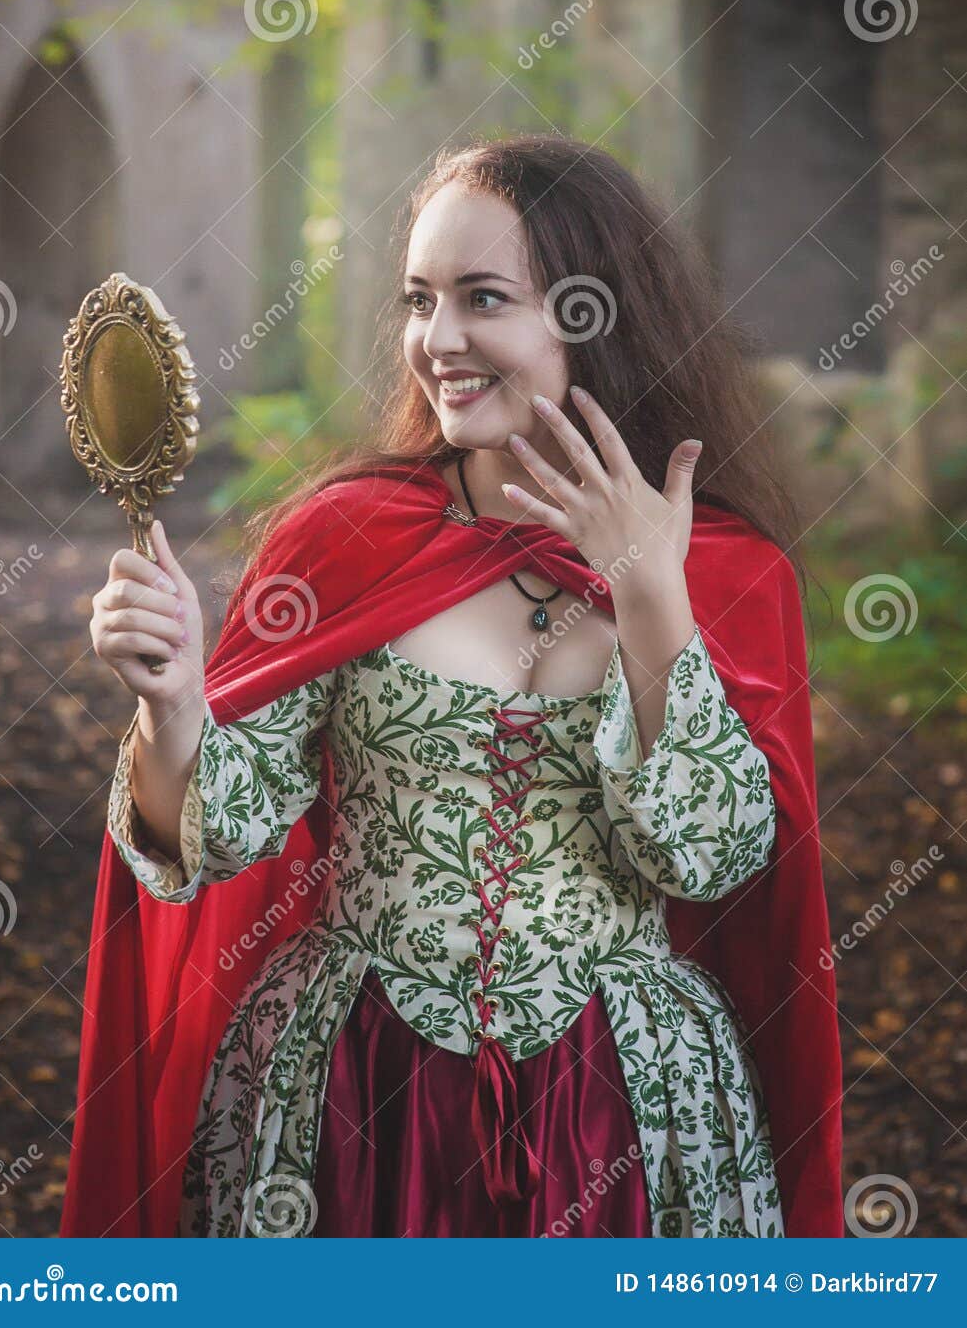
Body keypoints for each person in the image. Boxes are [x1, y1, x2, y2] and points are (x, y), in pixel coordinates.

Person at [61, 134, 843, 1239]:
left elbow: (705, 857)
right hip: (344, 1096)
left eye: (483, 298)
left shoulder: (727, 574)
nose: (437, 341)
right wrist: (174, 703)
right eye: (418, 300)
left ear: (592, 314)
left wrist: (650, 601)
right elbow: (217, 836)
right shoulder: (341, 538)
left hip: (627, 1109)